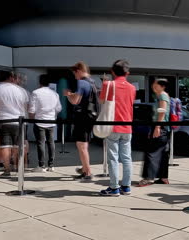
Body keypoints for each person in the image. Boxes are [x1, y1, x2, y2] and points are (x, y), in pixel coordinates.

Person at [99, 60, 136, 196]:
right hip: (127, 126)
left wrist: (105, 83)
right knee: (127, 158)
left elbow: (101, 100)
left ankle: (114, 187)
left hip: (112, 126)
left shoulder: (108, 84)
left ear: (112, 71)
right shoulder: (132, 88)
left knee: (113, 158)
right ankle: (126, 186)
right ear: (128, 73)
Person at [0, 71, 30, 177]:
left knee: (5, 146)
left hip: (4, 120)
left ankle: (7, 169)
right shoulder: (22, 91)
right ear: (11, 78)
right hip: (20, 121)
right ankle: (17, 167)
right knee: (18, 146)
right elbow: (26, 107)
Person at [63, 62, 95, 180]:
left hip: (82, 118)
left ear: (79, 71)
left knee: (81, 145)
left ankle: (87, 173)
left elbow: (76, 101)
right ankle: (85, 168)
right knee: (83, 144)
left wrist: (68, 95)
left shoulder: (81, 82)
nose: (74, 76)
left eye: (74, 73)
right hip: (90, 117)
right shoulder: (92, 82)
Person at [138, 78, 171, 187]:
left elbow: (162, 111)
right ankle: (163, 177)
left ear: (162, 86)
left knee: (151, 152)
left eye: (155, 84)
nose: (153, 86)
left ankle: (149, 178)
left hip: (160, 126)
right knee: (162, 153)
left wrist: (157, 127)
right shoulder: (161, 96)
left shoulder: (162, 95)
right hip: (162, 127)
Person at [29, 74, 62, 172]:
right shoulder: (55, 94)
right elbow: (59, 108)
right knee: (51, 143)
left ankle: (41, 165)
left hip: (39, 121)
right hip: (51, 121)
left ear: (40, 82)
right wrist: (53, 114)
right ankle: (51, 165)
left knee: (41, 143)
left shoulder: (35, 93)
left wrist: (32, 118)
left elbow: (31, 110)